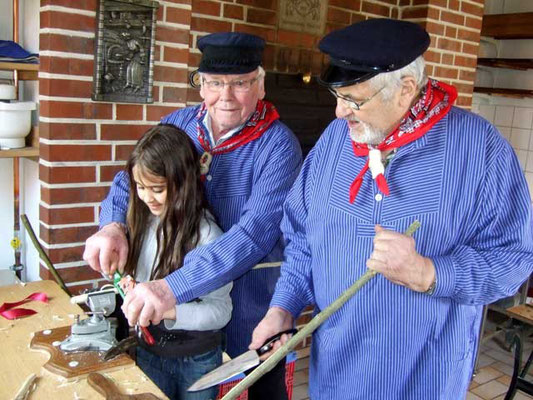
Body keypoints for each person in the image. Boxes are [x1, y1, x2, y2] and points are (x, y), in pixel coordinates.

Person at [250, 18, 533, 400]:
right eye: (337, 96)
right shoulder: (335, 141)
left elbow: (513, 261)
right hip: (335, 375)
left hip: (425, 379)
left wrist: (429, 273)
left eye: (354, 100)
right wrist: (282, 309)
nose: (338, 112)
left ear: (406, 89)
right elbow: (303, 237)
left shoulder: (480, 150)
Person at [83, 32, 302, 399]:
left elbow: (253, 235)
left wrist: (170, 288)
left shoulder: (278, 146)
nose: (225, 96)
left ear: (260, 85)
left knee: (265, 387)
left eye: (240, 84)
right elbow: (130, 178)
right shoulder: (180, 124)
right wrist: (113, 225)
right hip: (184, 325)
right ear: (201, 85)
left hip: (251, 304)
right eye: (214, 83)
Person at [122, 124, 232, 400]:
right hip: (149, 350)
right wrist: (131, 287)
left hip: (196, 361)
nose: (146, 197)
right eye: (140, 187)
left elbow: (221, 311)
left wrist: (170, 310)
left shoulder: (208, 236)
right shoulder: (143, 221)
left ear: (183, 182)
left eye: (157, 189)